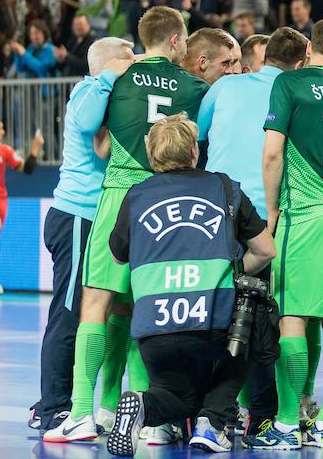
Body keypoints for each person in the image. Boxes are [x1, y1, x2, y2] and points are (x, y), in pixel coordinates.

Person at [47, 6, 208, 444]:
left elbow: (85, 126)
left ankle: (82, 412)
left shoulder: (118, 77)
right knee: (148, 310)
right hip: (170, 203)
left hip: (119, 196)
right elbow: (201, 145)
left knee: (96, 302)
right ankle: (147, 418)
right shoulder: (196, 87)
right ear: (176, 40)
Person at [103, 114, 277, 457]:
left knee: (177, 396)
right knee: (249, 319)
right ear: (194, 153)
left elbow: (119, 255)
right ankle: (212, 423)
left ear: (153, 159)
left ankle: (142, 405)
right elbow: (267, 250)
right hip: (212, 326)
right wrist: (234, 271)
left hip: (154, 327)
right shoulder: (225, 187)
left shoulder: (136, 195)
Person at [253, 19, 323, 449]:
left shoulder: (289, 83)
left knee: (293, 319)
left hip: (308, 215)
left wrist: (273, 209)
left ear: (311, 45)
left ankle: (286, 423)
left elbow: (272, 152)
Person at [197, 27, 310, 440]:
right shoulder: (300, 89)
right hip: (267, 217)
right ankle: (262, 415)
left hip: (218, 210)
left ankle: (204, 412)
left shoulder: (226, 87)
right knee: (262, 319)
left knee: (214, 313)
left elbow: (198, 134)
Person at [33, 37, 136, 435]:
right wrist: (112, 72)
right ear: (112, 63)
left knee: (108, 311)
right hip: (78, 215)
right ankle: (55, 408)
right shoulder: (86, 90)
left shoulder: (108, 94)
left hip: (99, 217)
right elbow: (93, 128)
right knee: (70, 312)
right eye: (129, 59)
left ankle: (71, 402)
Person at [0, 119, 45, 296]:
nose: (3, 132)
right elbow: (28, 169)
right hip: (1, 203)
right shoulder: (4, 150)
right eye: (1, 129)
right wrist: (35, 148)